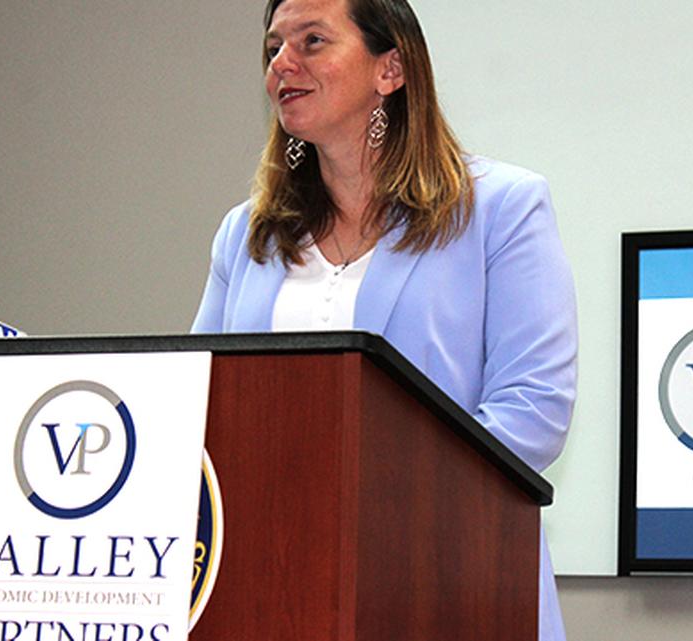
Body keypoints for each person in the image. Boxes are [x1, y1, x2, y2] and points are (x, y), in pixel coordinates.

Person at [192, 1, 577, 639]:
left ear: (390, 68)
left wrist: (373, 504)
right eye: (273, 49)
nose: (282, 65)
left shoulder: (500, 209)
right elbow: (204, 407)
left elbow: (532, 410)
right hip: (274, 580)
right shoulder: (248, 233)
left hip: (449, 580)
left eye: (312, 41)